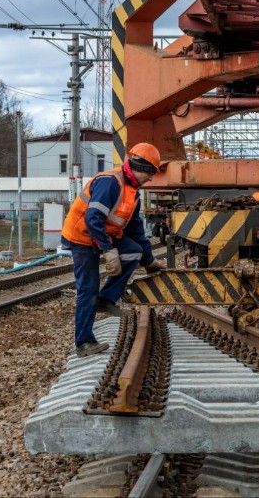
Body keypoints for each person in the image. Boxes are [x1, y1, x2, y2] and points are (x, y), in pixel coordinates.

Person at [61, 143, 163, 357]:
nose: (151, 179)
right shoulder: (111, 182)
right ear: (140, 168)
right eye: (150, 173)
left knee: (133, 251)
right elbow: (92, 218)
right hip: (82, 237)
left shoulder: (132, 191)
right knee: (88, 288)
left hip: (103, 234)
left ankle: (105, 300)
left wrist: (149, 260)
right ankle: (84, 343)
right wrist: (108, 250)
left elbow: (135, 230)